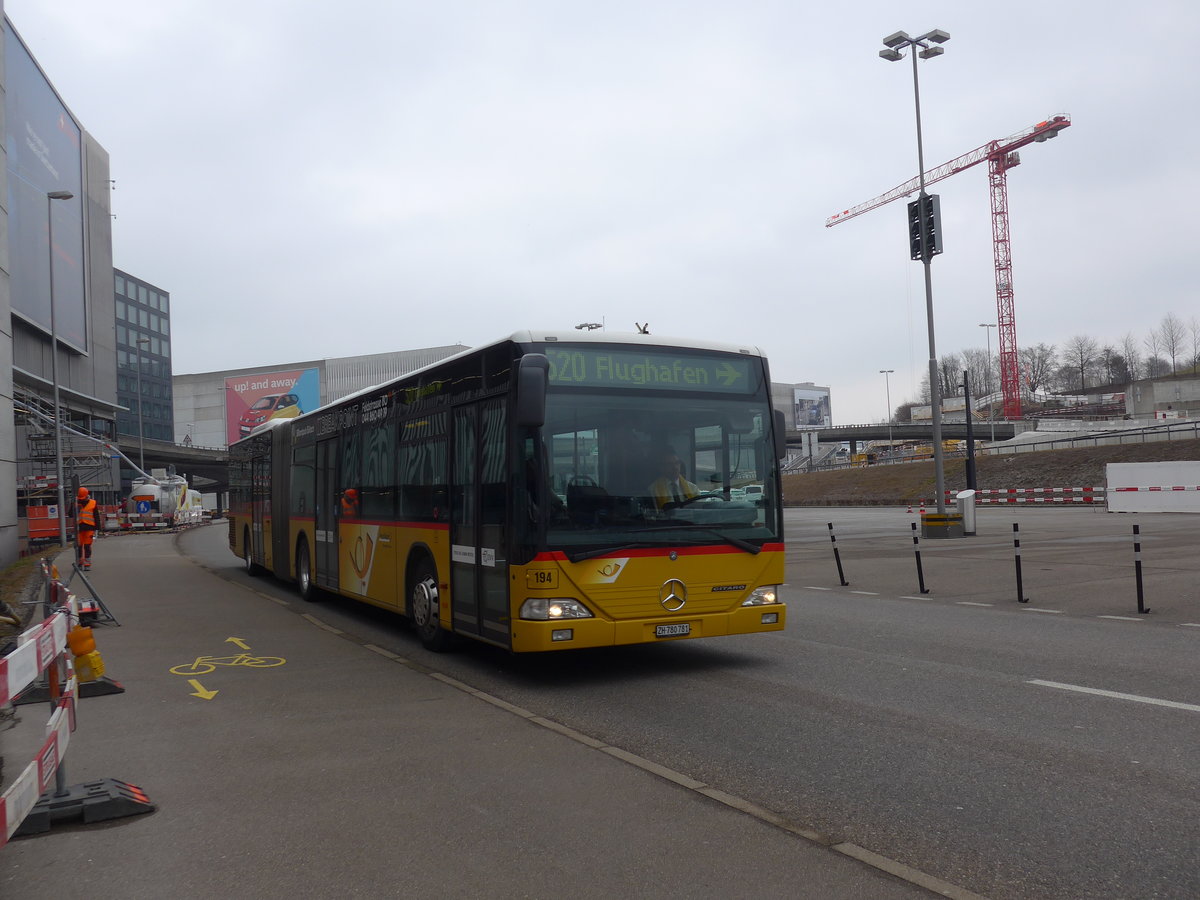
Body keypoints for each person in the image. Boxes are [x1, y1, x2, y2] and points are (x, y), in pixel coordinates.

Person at [75, 486, 98, 569]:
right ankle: (80, 563)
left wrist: (97, 527)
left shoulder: (93, 503)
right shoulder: (76, 503)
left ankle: (87, 563)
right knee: (79, 546)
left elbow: (96, 516)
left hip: (89, 527)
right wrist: (73, 505)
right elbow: (70, 514)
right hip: (79, 528)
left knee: (87, 546)